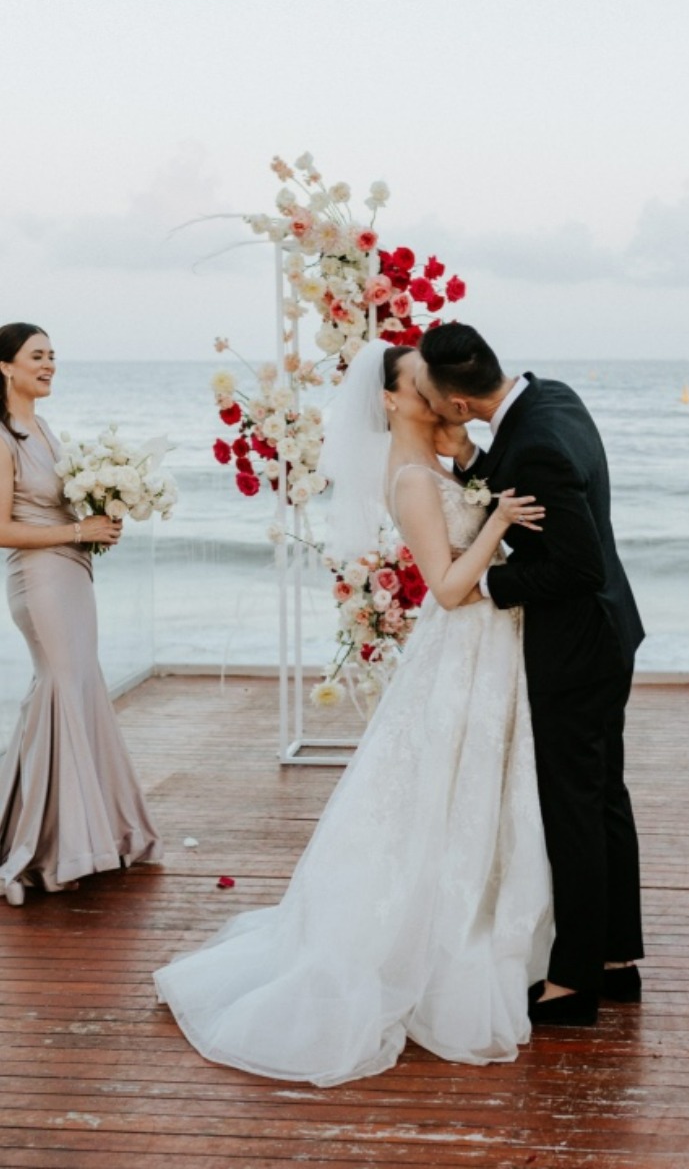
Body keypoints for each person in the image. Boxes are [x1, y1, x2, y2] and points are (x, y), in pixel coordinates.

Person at [154, 339, 554, 1087]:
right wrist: (496, 525)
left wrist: (474, 467)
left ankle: (488, 926)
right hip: (463, 643)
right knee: (434, 796)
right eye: (421, 383)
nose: (436, 391)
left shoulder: (436, 461)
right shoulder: (407, 480)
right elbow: (446, 586)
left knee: (470, 793)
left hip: (487, 653)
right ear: (392, 398)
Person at [414, 323, 645, 1027]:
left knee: (574, 808)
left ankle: (572, 983)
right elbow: (526, 477)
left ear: (455, 402)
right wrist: (471, 467)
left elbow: (575, 568)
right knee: (604, 796)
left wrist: (483, 588)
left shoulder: (534, 444)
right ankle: (615, 959)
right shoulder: (552, 399)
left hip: (576, 648)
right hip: (611, 634)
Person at [0, 323, 162, 906]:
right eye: (36, 356)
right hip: (37, 578)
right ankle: (45, 850)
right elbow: (0, 528)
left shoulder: (42, 427)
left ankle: (71, 833)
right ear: (5, 367)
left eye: (53, 356)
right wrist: (75, 529)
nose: (49, 365)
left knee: (76, 687)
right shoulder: (2, 436)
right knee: (62, 687)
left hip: (72, 573)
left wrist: (100, 520)